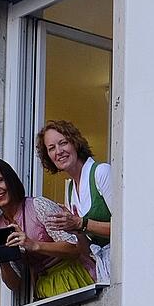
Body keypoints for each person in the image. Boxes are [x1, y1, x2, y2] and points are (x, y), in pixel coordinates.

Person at [0, 157, 94, 301]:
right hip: (43, 289)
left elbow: (75, 248)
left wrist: (34, 245)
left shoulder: (38, 205)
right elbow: (15, 284)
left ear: (10, 180)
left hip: (73, 277)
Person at [37, 120, 112, 284]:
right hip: (104, 270)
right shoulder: (70, 189)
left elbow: (124, 229)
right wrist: (73, 230)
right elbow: (84, 251)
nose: (59, 151)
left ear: (75, 143)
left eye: (63, 143)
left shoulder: (101, 172)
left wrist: (80, 223)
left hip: (123, 264)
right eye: (51, 148)